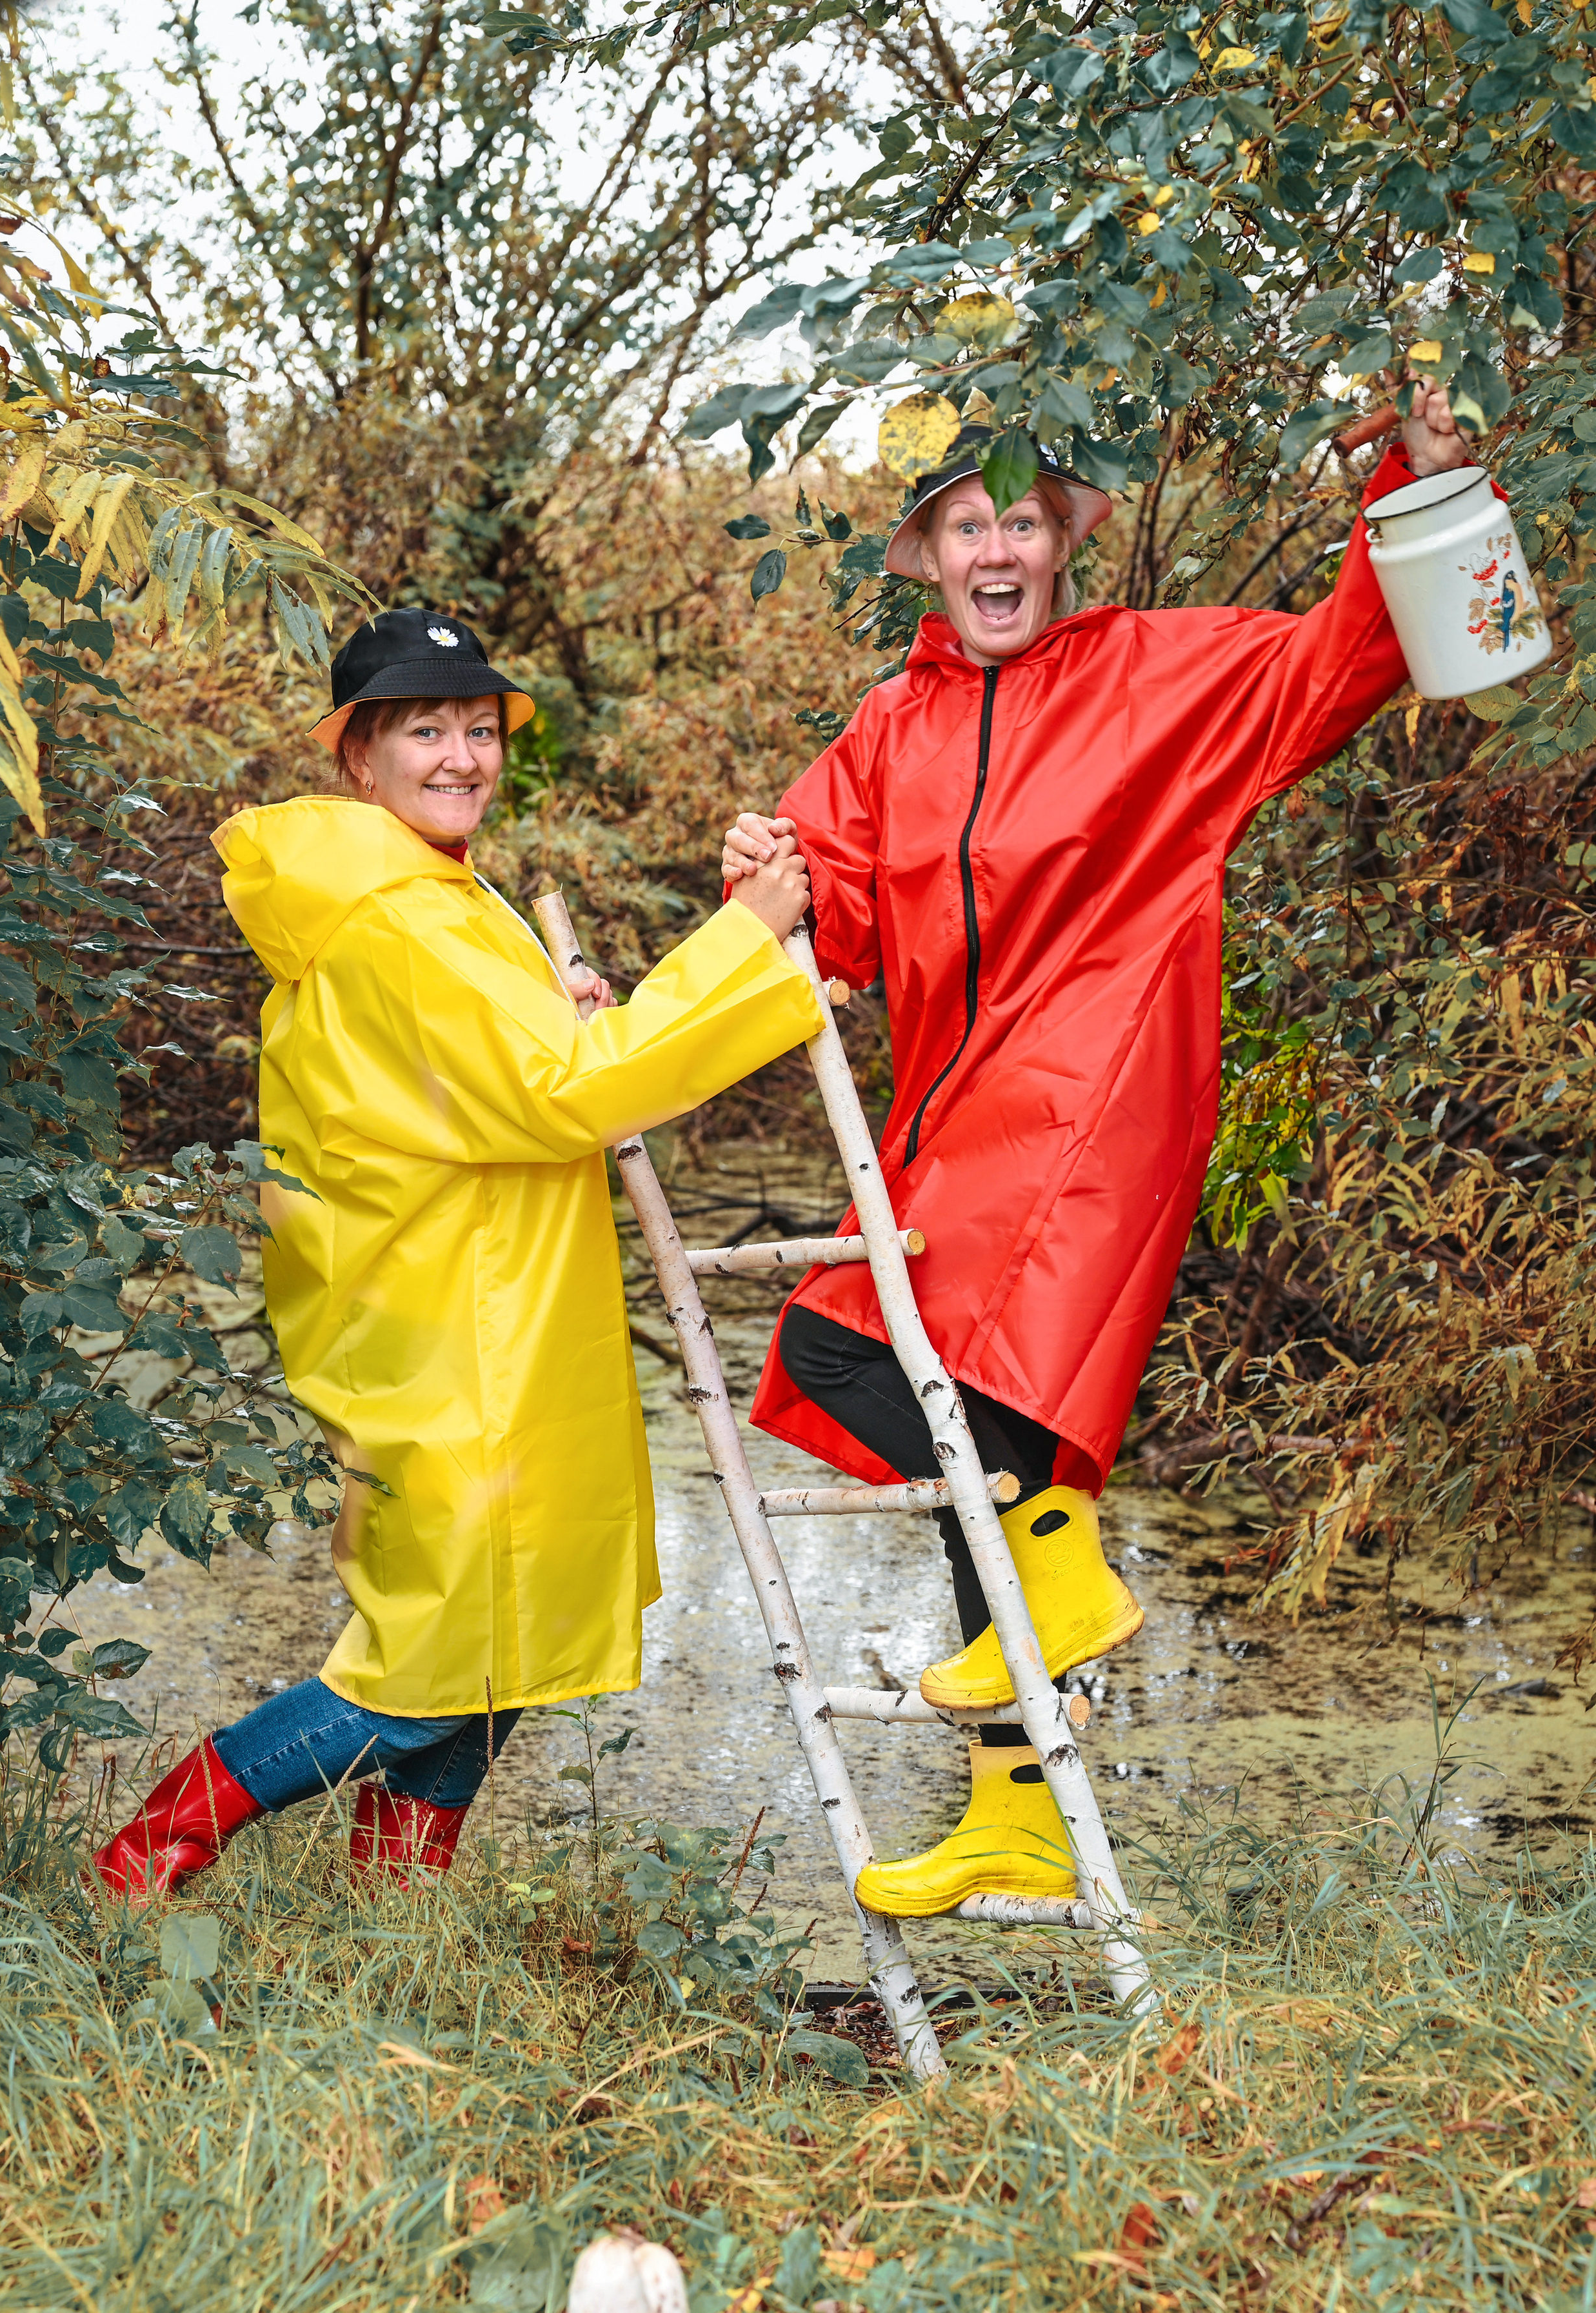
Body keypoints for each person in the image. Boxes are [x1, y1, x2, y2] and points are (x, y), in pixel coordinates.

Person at [723, 386, 1486, 1917]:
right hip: (949, 1103)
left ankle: (1052, 1589)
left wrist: (1416, 476)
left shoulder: (1159, 672)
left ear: (1063, 544)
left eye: (1021, 519)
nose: (994, 548)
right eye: (964, 524)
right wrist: (767, 870)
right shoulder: (889, 725)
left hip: (1103, 1077)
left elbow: (1350, 652)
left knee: (940, 1391)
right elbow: (840, 927)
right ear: (928, 556)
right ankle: (1015, 1790)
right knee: (906, 1401)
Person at [94, 606, 820, 1899]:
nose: (460, 755)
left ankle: (398, 1909)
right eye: (424, 728)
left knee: (502, 1641)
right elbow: (564, 1092)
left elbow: (488, 1066)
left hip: (478, 1307)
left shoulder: (427, 886)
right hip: (459, 1330)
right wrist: (746, 933)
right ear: (355, 755)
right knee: (425, 1667)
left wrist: (556, 1011)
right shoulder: (399, 913)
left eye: (477, 729)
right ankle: (147, 1855)